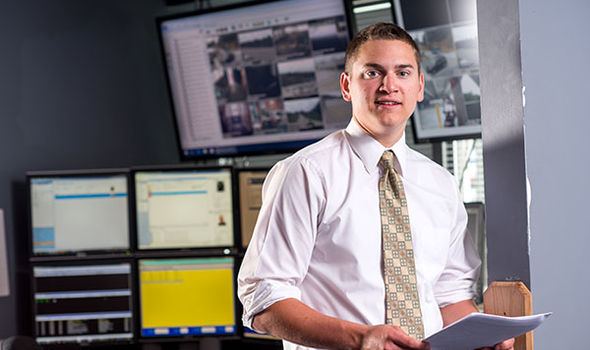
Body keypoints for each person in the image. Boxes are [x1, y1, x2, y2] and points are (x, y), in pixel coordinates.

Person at [238, 22, 514, 350]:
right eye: (372, 73)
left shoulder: (441, 184)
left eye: (403, 72)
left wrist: (482, 338)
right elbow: (264, 301)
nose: (389, 86)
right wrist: (361, 339)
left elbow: (450, 296)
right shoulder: (305, 173)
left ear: (420, 86)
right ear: (346, 86)